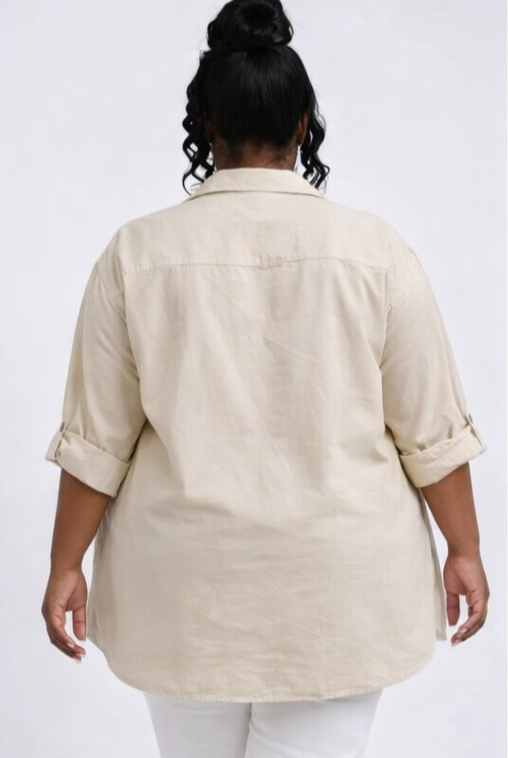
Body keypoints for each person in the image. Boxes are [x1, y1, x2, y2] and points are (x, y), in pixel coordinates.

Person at [40, 0, 490, 756]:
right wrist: (465, 549)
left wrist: (64, 565)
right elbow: (431, 429)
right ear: (303, 123)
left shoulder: (136, 255)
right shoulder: (376, 252)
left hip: (183, 591)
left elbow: (98, 439)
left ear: (206, 124)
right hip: (339, 593)